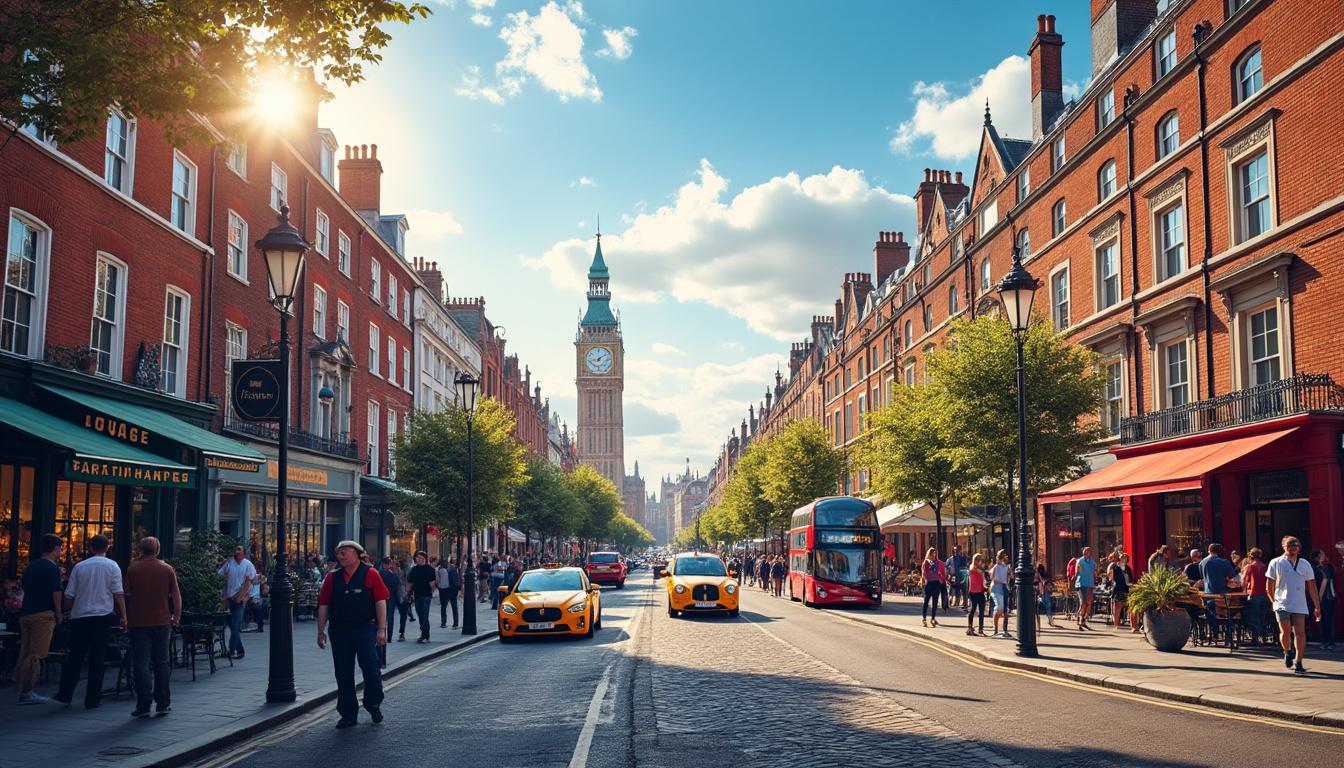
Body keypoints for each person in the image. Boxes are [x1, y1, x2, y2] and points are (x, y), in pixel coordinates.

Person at [316, 541, 389, 729]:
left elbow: (380, 601)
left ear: (357, 554)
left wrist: (382, 629)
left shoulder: (371, 573)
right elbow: (324, 605)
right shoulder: (332, 578)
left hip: (365, 629)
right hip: (339, 631)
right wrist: (320, 631)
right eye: (338, 552)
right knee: (343, 673)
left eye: (345, 552)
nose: (340, 556)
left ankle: (372, 703)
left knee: (371, 669)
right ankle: (348, 714)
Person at [55, 534, 126, 709]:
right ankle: (92, 697)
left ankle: (65, 693)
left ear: (91, 548)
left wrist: (67, 610)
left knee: (75, 656)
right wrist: (124, 614)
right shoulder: (112, 566)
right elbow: (118, 593)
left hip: (80, 616)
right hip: (102, 617)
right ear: (107, 548)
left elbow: (70, 594)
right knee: (97, 657)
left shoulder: (80, 567)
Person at [125, 537, 181, 718]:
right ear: (157, 550)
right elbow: (176, 595)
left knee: (141, 663)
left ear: (141, 550)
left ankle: (143, 704)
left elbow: (126, 592)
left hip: (139, 622)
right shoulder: (166, 569)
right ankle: (163, 703)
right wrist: (177, 616)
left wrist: (125, 616)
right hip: (162, 621)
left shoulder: (133, 569)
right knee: (162, 662)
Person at [14, 534, 64, 704]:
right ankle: (27, 691)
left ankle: (20, 684)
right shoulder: (53, 569)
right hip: (43, 614)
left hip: (26, 612)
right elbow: (56, 592)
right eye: (60, 548)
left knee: (26, 651)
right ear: (56, 549)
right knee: (37, 654)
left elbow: (24, 587)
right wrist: (58, 612)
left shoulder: (31, 566)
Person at [1266, 535, 1321, 675]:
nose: (1293, 548)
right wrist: (1273, 601)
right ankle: (1287, 651)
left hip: (1299, 602)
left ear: (1299, 548)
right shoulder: (1276, 562)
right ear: (1284, 547)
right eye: (1290, 545)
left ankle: (1299, 661)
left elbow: (1312, 586)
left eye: (1295, 545)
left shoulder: (1305, 564)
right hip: (1282, 602)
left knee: (1300, 632)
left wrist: (1317, 605)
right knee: (1285, 631)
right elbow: (1269, 586)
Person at [217, 545, 255, 660]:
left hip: (239, 598)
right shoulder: (229, 563)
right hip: (228, 598)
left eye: (239, 551)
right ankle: (240, 650)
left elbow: (249, 581)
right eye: (235, 551)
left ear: (243, 553)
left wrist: (242, 596)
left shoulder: (248, 564)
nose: (237, 552)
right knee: (232, 625)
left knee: (236, 624)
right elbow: (220, 575)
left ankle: (231, 649)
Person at [1198, 543, 1240, 641]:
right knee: (1231, 610)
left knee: (1210, 610)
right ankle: (1229, 633)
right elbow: (1232, 576)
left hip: (1209, 595)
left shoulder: (1202, 563)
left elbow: (1203, 577)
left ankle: (1215, 633)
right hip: (1224, 595)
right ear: (1219, 551)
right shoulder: (1224, 562)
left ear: (1209, 550)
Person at [404, 551, 436, 643]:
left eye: (421, 557)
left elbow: (432, 584)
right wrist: (407, 592)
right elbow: (410, 583)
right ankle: (426, 634)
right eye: (417, 557)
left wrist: (433, 590)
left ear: (425, 558)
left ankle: (424, 635)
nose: (419, 559)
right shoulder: (414, 570)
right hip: (417, 595)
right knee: (420, 615)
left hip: (426, 595)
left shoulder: (430, 569)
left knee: (425, 615)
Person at [1241, 547, 1271, 643]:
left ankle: (1255, 637)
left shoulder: (1249, 567)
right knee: (1263, 617)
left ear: (1250, 555)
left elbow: (1244, 580)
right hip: (1265, 595)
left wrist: (1244, 590)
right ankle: (1264, 636)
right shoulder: (1265, 566)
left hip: (1254, 594)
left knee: (1253, 617)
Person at [1310, 549, 1335, 651]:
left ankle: (1325, 642)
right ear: (1318, 557)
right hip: (1330, 596)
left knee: (1324, 620)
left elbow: (1324, 582)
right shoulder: (1325, 568)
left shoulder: (1319, 568)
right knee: (1328, 619)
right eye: (1322, 554)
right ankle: (1329, 641)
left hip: (1324, 597)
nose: (1324, 555)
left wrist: (1318, 598)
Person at [1108, 553, 1135, 632]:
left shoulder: (1128, 569)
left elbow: (1131, 579)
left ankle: (1133, 626)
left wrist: (1131, 585)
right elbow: (1111, 578)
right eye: (1122, 558)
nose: (1124, 560)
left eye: (1126, 559)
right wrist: (1110, 580)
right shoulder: (1115, 567)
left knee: (1131, 608)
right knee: (1118, 607)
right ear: (1119, 559)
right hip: (1118, 589)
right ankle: (1116, 625)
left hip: (1127, 589)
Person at [920, 548, 945, 627]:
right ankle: (924, 619)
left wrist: (940, 580)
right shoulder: (926, 562)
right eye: (932, 553)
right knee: (926, 602)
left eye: (935, 553)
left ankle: (933, 618)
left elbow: (941, 572)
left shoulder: (938, 562)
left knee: (935, 602)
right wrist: (924, 580)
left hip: (936, 583)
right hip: (929, 583)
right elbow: (924, 573)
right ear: (929, 554)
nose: (934, 555)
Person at [990, 550, 1012, 638]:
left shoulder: (1007, 567)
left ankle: (1005, 630)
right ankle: (995, 629)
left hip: (1005, 589)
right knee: (1000, 607)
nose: (998, 559)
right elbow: (993, 578)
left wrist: (1009, 575)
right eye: (998, 557)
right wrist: (1002, 581)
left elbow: (1009, 578)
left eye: (1000, 557)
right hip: (996, 588)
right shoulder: (995, 567)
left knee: (1005, 610)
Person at [1074, 547, 1097, 631]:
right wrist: (1078, 571)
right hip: (1081, 584)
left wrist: (1095, 580)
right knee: (1083, 602)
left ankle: (1082, 621)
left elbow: (1094, 572)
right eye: (1084, 553)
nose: (1084, 554)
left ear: (1090, 553)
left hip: (1090, 585)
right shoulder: (1080, 561)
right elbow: (1076, 573)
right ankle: (1079, 620)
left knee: (1088, 603)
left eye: (1086, 552)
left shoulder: (1093, 562)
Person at [966, 553, 987, 636]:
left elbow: (982, 581)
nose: (981, 562)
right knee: (973, 609)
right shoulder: (973, 569)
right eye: (980, 561)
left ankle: (981, 629)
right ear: (976, 561)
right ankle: (969, 627)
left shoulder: (979, 570)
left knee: (981, 611)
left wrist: (985, 588)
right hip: (974, 592)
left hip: (980, 591)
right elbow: (977, 572)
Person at [437, 558, 460, 629]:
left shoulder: (451, 569)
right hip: (448, 591)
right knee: (449, 607)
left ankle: (448, 623)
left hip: (449, 591)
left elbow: (456, 580)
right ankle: (450, 623)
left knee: (447, 607)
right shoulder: (444, 570)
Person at [1037, 563, 1059, 630]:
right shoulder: (1044, 576)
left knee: (1038, 608)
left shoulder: (1037, 576)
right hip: (1045, 593)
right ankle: (1050, 620)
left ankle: (1039, 623)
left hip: (1039, 592)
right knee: (1048, 607)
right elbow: (1046, 583)